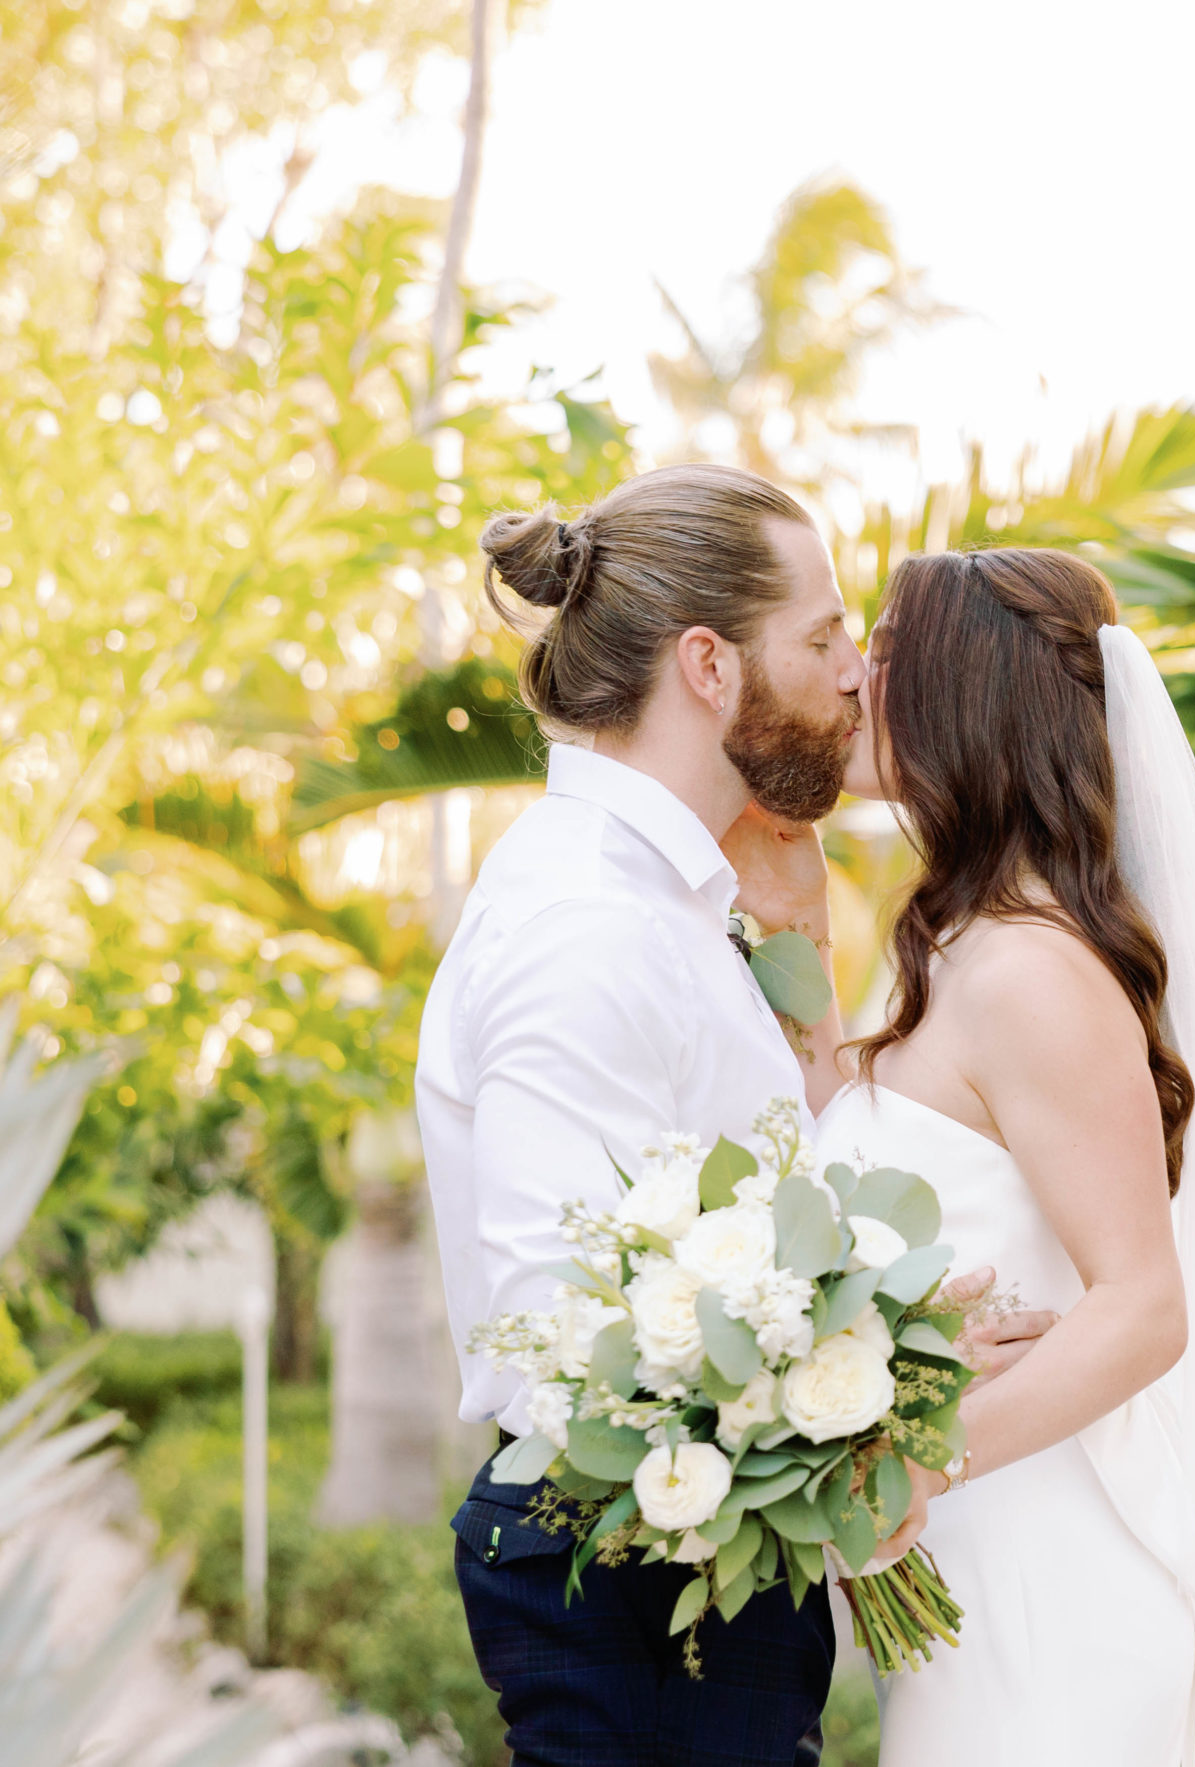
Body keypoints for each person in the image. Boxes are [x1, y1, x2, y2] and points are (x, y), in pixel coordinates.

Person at [418, 466, 1049, 1767]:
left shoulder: (669, 901)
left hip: (681, 1568)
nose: (856, 676)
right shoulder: (584, 925)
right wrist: (877, 1394)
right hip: (632, 1580)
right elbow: (567, 1340)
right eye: (823, 637)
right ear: (709, 666)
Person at [725, 548, 1195, 1766]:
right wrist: (792, 934)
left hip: (1056, 1600)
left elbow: (1145, 1307)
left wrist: (908, 1463)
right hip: (973, 1601)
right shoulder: (965, 945)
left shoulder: (1035, 970)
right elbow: (887, 1158)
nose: (850, 675)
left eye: (881, 646)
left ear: (962, 694)